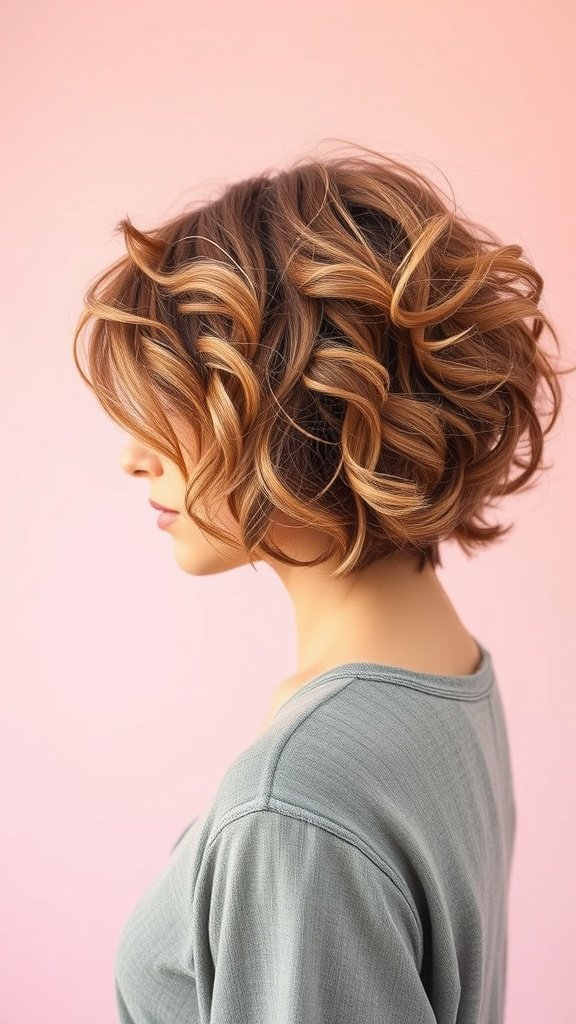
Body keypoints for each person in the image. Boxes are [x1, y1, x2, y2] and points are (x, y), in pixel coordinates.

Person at [72, 142, 570, 1023]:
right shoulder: (445, 672)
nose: (133, 455)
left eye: (175, 404)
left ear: (295, 413)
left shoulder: (297, 803)